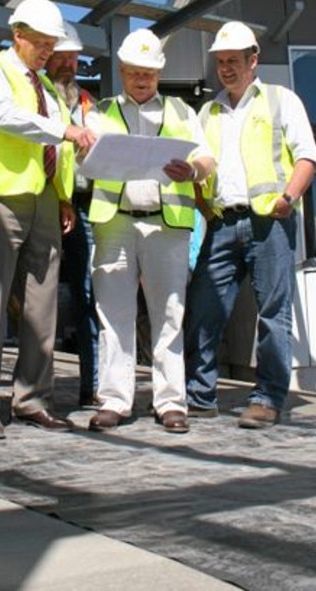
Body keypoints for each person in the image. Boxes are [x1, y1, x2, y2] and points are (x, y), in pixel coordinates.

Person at [0, 0, 96, 439]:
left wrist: (61, 198)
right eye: (39, 42)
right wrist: (65, 129)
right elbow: (2, 117)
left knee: (43, 304)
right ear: (16, 34)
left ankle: (32, 399)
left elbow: (56, 153)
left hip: (42, 200)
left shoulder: (45, 88)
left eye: (50, 44)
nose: (46, 51)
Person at [184, 20, 316, 428]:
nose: (226, 68)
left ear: (253, 60)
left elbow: (307, 157)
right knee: (205, 308)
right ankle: (199, 395)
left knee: (273, 313)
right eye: (221, 62)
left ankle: (267, 398)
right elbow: (198, 166)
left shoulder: (281, 100)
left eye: (233, 61)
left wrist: (287, 198)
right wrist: (203, 207)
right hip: (222, 223)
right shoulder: (207, 111)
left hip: (270, 222)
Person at [85, 29, 215, 434]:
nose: (143, 79)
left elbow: (208, 159)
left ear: (160, 73)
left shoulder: (181, 111)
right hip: (116, 222)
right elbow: (82, 161)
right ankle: (114, 400)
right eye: (135, 72)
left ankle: (171, 401)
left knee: (170, 315)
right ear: (122, 71)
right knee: (114, 314)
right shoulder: (99, 112)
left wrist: (193, 170)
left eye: (151, 72)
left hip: (166, 225)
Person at [45, 21, 100, 409]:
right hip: (44, 200)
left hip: (83, 205)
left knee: (87, 295)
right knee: (36, 295)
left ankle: (92, 386)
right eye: (61, 56)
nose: (68, 64)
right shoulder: (36, 95)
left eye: (73, 57)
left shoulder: (89, 104)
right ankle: (33, 386)